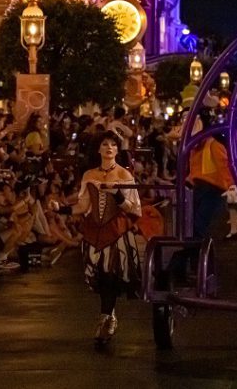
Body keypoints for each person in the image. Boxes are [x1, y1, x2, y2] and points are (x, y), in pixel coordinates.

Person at [58, 131, 141, 345]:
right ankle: (108, 316)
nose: (109, 148)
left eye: (113, 145)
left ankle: (106, 317)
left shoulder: (125, 176)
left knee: (112, 274)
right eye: (105, 144)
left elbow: (135, 209)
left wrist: (118, 196)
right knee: (102, 275)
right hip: (95, 232)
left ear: (117, 150)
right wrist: (62, 210)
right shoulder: (89, 175)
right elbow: (84, 205)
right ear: (99, 149)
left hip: (116, 231)